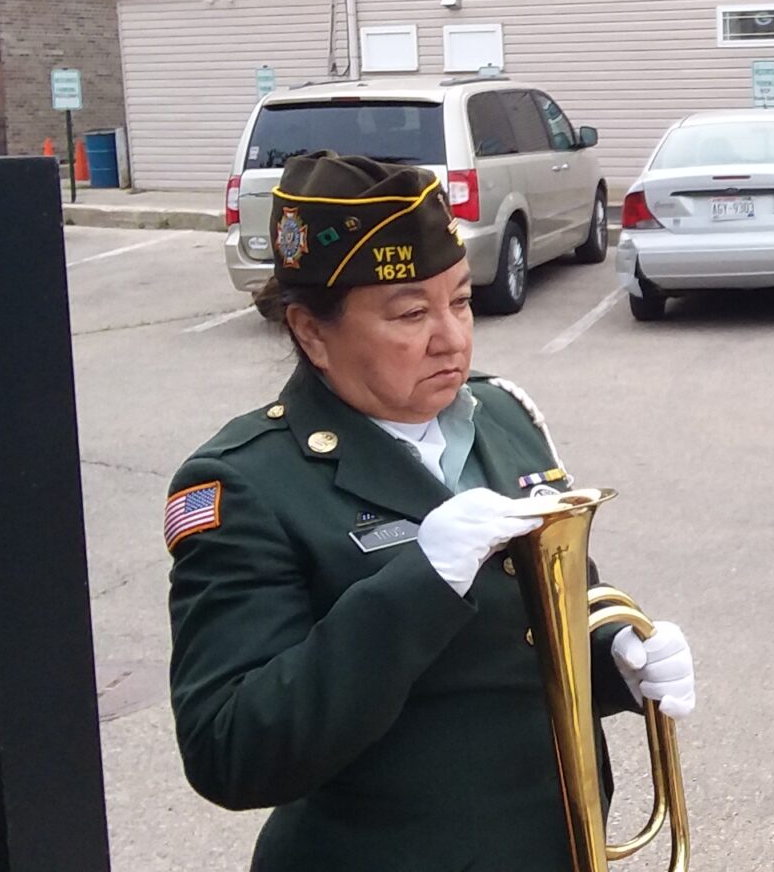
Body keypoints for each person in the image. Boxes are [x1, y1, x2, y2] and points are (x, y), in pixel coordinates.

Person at [165, 153, 696, 872]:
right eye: (411, 312)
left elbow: (550, 623)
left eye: (461, 300)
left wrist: (617, 662)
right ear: (312, 332)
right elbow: (231, 749)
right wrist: (418, 584)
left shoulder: (504, 415)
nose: (451, 336)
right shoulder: (246, 483)